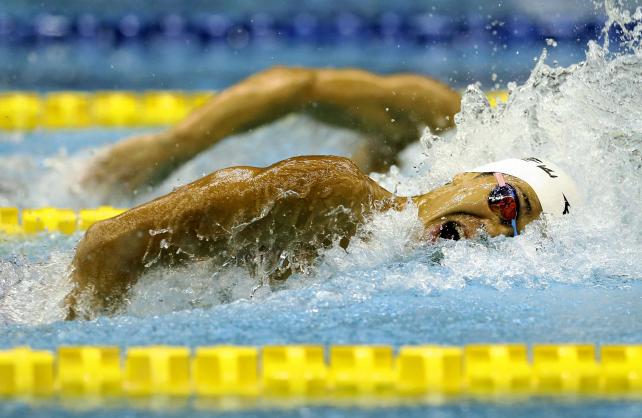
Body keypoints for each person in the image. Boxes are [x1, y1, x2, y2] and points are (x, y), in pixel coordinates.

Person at [67, 67, 579, 319]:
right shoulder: (328, 190)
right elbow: (108, 244)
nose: (492, 230)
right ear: (467, 176)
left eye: (513, 233)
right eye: (507, 205)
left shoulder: (406, 284)